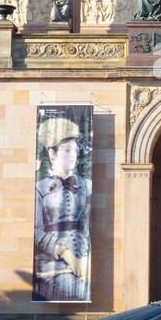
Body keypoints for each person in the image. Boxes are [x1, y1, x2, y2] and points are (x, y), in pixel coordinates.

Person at [33, 116, 91, 301]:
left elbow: (88, 224)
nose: (73, 155)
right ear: (52, 153)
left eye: (74, 150)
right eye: (67, 150)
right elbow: (36, 230)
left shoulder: (86, 185)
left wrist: (85, 258)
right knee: (76, 292)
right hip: (54, 265)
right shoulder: (40, 188)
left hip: (84, 259)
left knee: (85, 288)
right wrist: (65, 253)